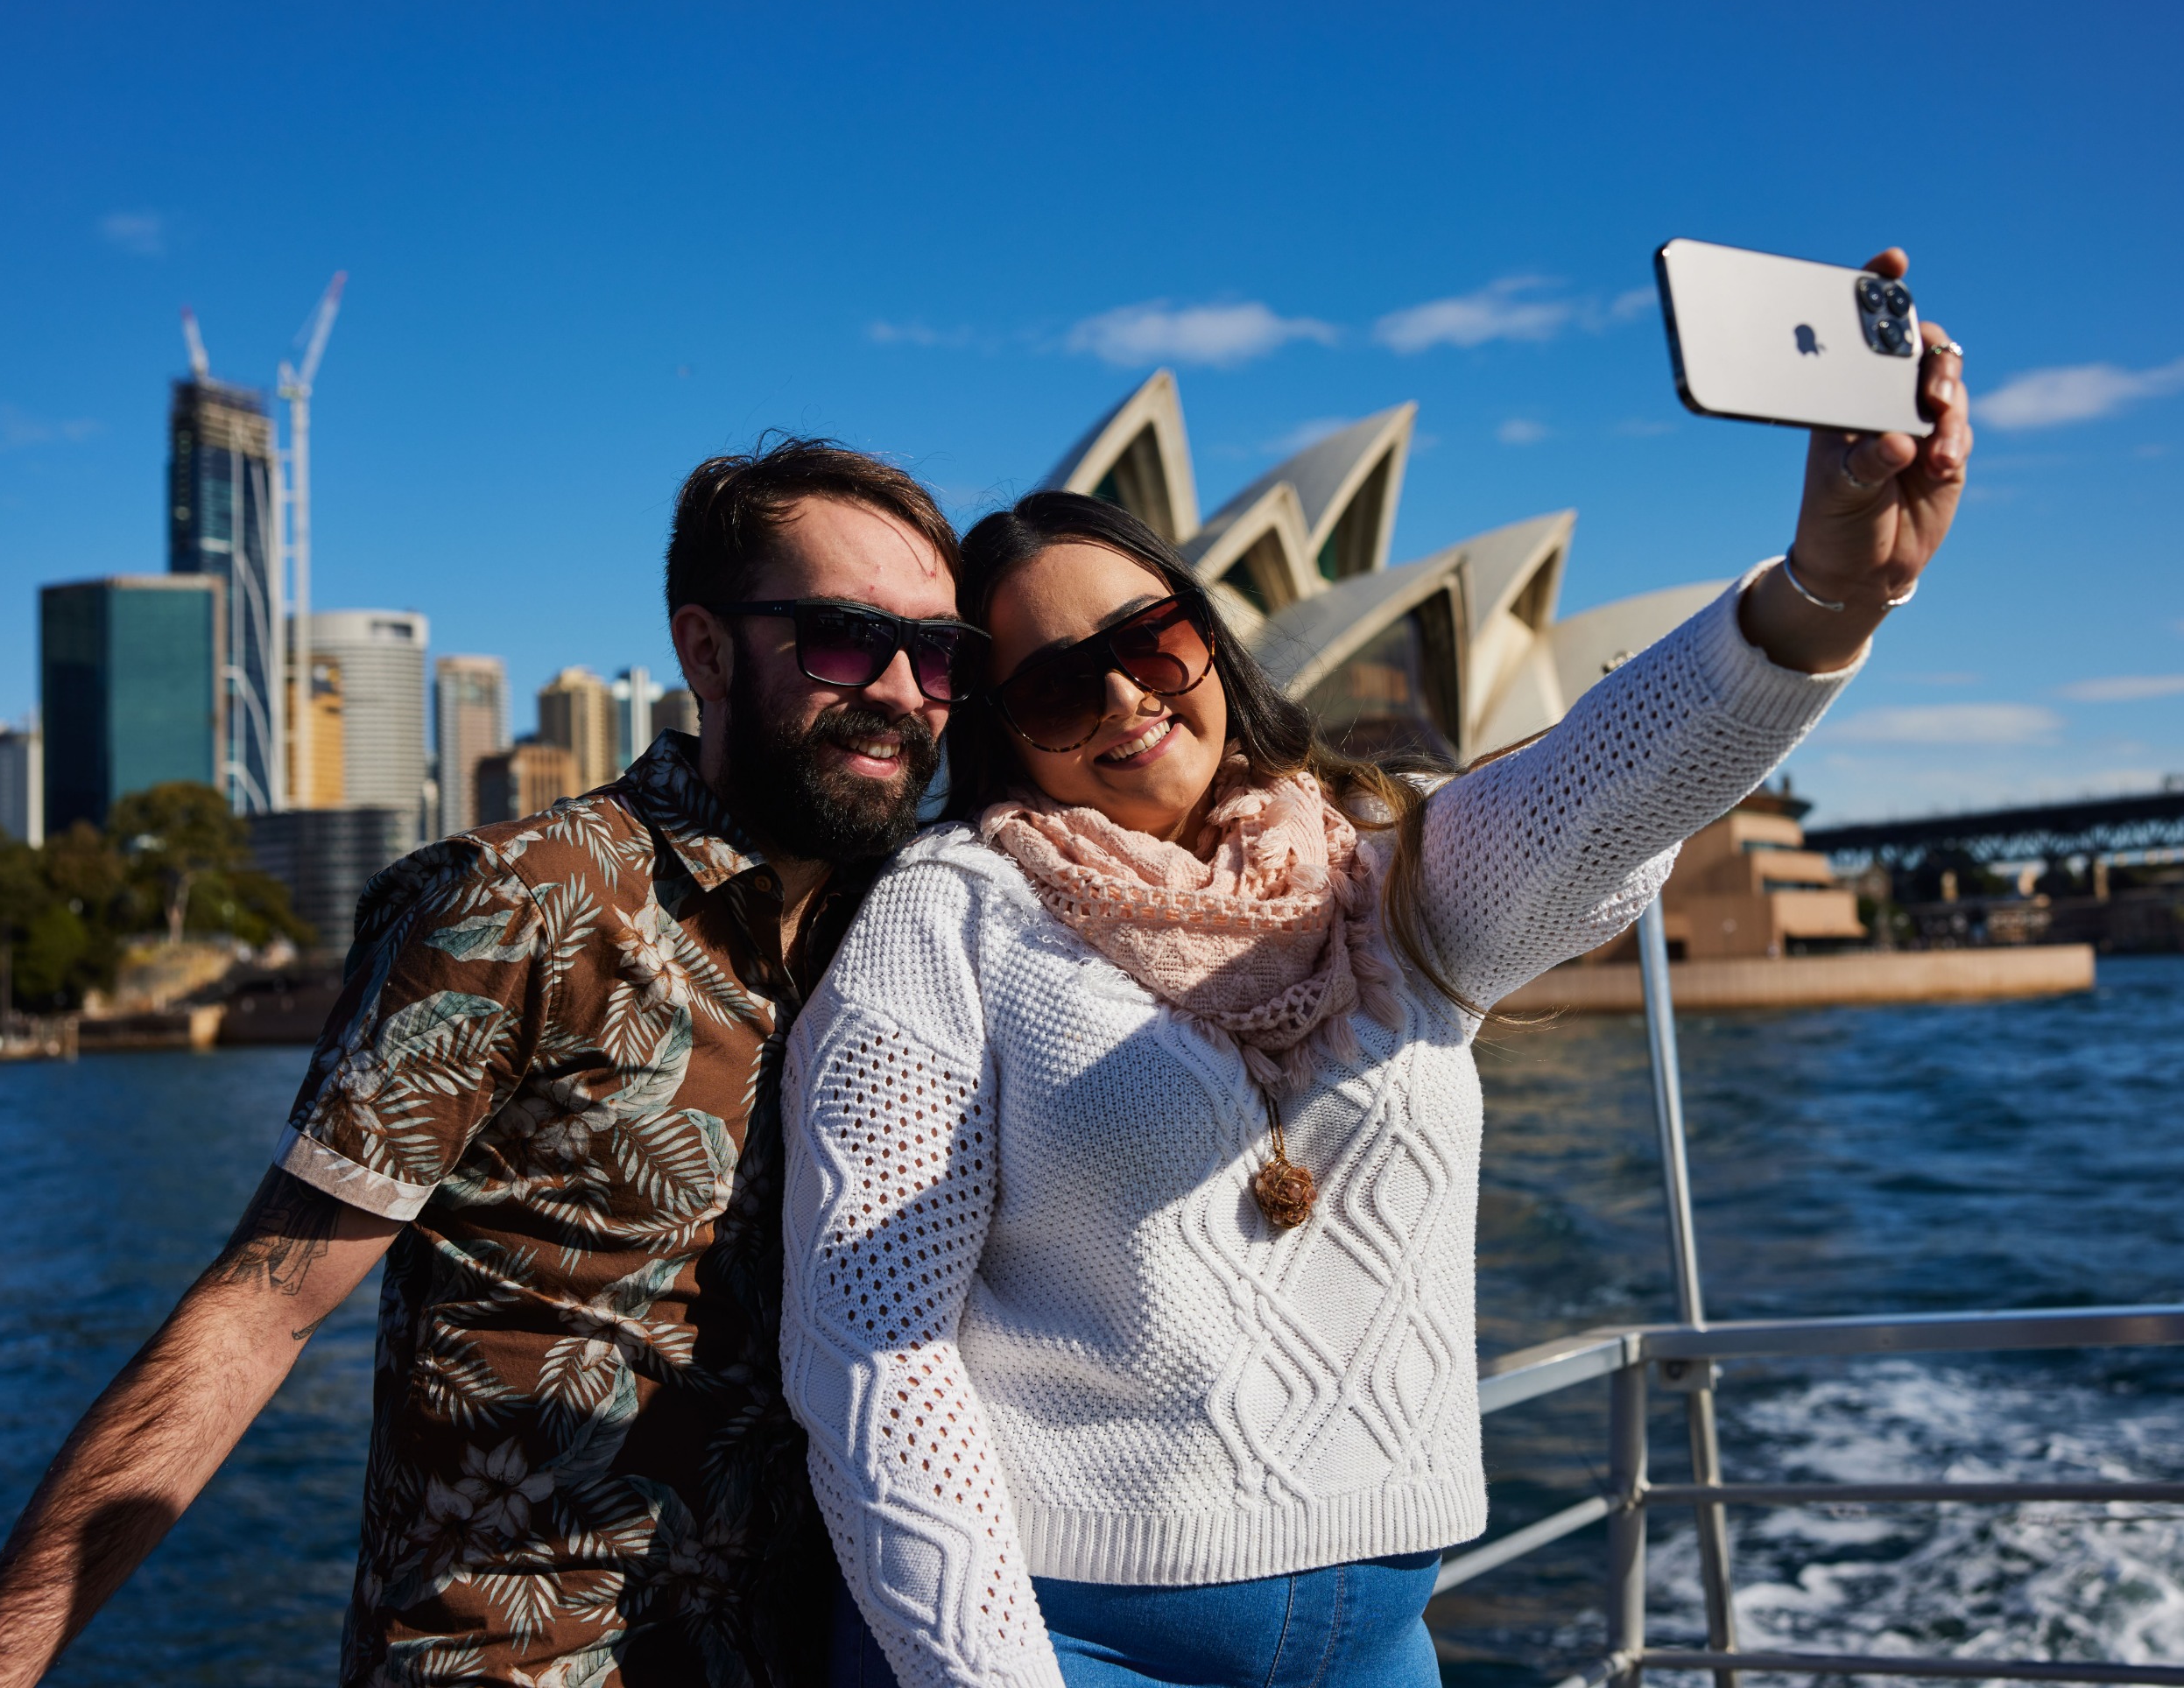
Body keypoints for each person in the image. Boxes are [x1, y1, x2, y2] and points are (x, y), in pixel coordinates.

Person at [783, 253, 1970, 1687]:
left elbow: (1607, 787)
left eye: (1151, 641)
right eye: (1050, 683)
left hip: (1383, 1635)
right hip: (1064, 1629)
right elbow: (874, 1349)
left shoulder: (1378, 865)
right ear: (1000, 729)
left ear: (1207, 637)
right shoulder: (950, 914)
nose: (1121, 697)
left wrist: (1834, 588)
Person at [0, 439, 989, 1688]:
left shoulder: (923, 924)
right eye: (843, 639)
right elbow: (257, 1312)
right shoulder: (522, 903)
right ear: (705, 652)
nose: (902, 689)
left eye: (938, 655)